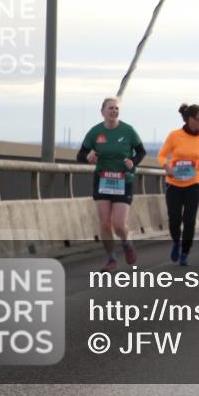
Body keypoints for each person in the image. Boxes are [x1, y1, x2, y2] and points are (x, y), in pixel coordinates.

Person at [77, 97, 147, 272]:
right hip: (102, 180)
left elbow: (141, 152)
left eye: (116, 108)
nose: (114, 111)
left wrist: (133, 161)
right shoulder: (95, 132)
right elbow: (81, 154)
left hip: (124, 181)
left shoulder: (128, 130)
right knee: (105, 223)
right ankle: (111, 259)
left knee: (118, 224)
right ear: (102, 112)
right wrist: (88, 158)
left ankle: (127, 242)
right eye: (110, 108)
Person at [158, 103, 199, 267]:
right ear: (190, 119)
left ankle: (185, 252)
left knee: (189, 220)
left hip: (194, 184)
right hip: (174, 184)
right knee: (174, 219)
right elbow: (162, 155)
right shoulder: (175, 136)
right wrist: (166, 166)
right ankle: (177, 241)